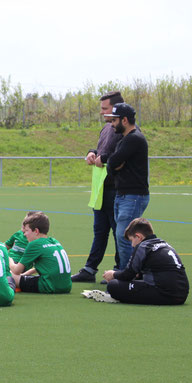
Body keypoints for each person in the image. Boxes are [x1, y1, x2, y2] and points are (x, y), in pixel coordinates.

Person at [72, 91, 124, 283]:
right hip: (101, 190)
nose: (102, 112)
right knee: (99, 231)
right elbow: (101, 150)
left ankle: (119, 271)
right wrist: (91, 153)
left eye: (105, 108)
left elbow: (122, 155)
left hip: (116, 189)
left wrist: (106, 159)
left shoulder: (124, 130)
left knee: (119, 232)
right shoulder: (106, 128)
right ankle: (89, 269)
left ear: (116, 108)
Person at [99, 218, 189, 305]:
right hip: (182, 295)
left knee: (113, 285)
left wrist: (113, 274)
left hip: (164, 294)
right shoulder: (165, 244)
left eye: (132, 240)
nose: (132, 245)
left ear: (138, 236)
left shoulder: (143, 246)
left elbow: (127, 275)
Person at [105, 103, 149, 271]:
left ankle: (126, 274)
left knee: (125, 237)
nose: (112, 124)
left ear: (124, 120)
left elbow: (114, 162)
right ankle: (125, 272)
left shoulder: (134, 138)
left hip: (133, 195)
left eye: (114, 120)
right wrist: (113, 164)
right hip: (123, 194)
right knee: (122, 235)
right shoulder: (124, 139)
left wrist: (114, 164)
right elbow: (112, 164)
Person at [10, 212, 72, 294]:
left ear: (36, 231)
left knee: (8, 275)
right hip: (66, 286)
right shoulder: (54, 241)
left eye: (26, 231)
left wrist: (8, 258)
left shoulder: (35, 244)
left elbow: (16, 271)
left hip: (48, 286)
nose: (24, 234)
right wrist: (25, 274)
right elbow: (49, 265)